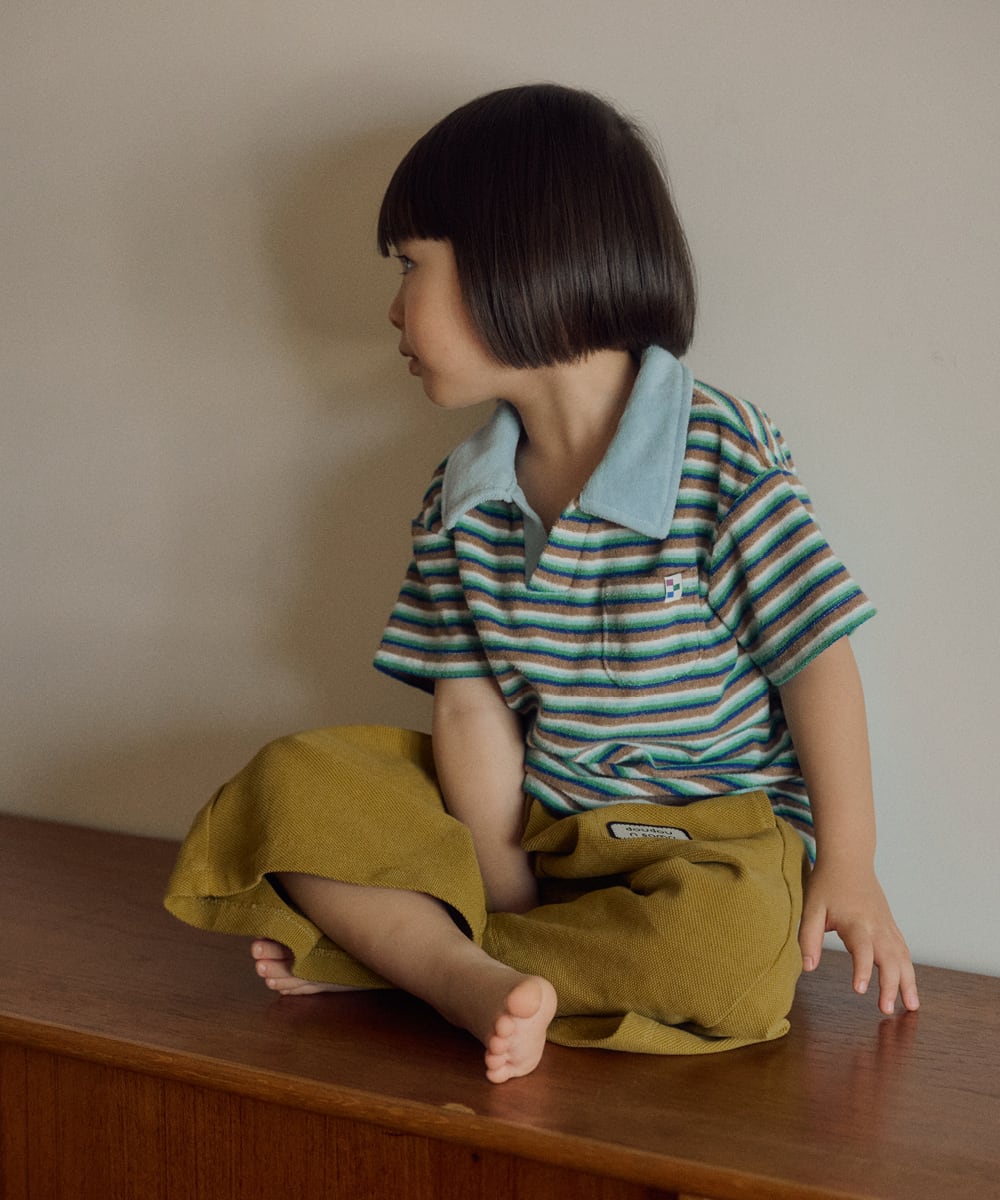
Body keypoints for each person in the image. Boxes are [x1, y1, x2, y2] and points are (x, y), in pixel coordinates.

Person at [165, 83, 918, 1085]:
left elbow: (814, 658)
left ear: (516, 260)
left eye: (410, 265)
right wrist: (503, 884)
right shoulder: (460, 498)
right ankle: (471, 962)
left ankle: (412, 963)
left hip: (705, 843)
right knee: (291, 785)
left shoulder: (718, 453)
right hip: (538, 829)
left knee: (732, 963)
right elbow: (469, 711)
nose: (392, 307)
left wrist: (851, 863)